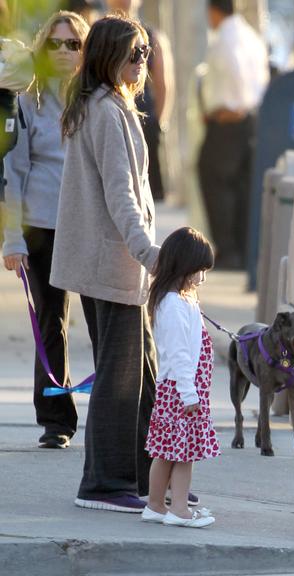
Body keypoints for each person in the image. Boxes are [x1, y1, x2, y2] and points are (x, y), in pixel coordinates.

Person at [51, 14, 159, 512]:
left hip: (118, 267)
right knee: (120, 380)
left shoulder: (107, 105)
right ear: (108, 57)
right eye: (135, 53)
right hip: (111, 265)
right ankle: (104, 484)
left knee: (143, 374)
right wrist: (151, 254)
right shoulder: (105, 111)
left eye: (146, 52)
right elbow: (122, 197)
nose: (144, 62)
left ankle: (144, 478)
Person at [2, 11, 90, 449]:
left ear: (85, 50)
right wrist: (13, 239)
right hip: (42, 227)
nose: (62, 51)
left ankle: (120, 410)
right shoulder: (26, 101)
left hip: (88, 227)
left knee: (104, 323)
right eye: (54, 43)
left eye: (72, 43)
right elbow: (13, 172)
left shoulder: (96, 100)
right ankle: (56, 419)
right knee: (51, 322)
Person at [142, 226, 219, 529]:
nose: (203, 276)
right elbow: (179, 353)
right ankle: (180, 510)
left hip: (177, 389)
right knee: (183, 455)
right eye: (200, 269)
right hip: (181, 391)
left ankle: (156, 505)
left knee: (165, 452)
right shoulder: (173, 305)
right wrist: (190, 394)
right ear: (185, 266)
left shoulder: (181, 300)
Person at [197, 0, 269, 270]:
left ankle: (228, 251)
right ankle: (238, 249)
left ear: (214, 10)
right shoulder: (249, 34)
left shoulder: (225, 38)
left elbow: (236, 74)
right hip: (248, 119)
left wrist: (234, 107)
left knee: (217, 182)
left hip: (229, 120)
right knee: (240, 186)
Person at [104, 0, 173, 202]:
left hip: (142, 117)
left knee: (145, 191)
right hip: (108, 114)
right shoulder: (98, 32)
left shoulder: (152, 36)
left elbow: (162, 84)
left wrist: (159, 123)